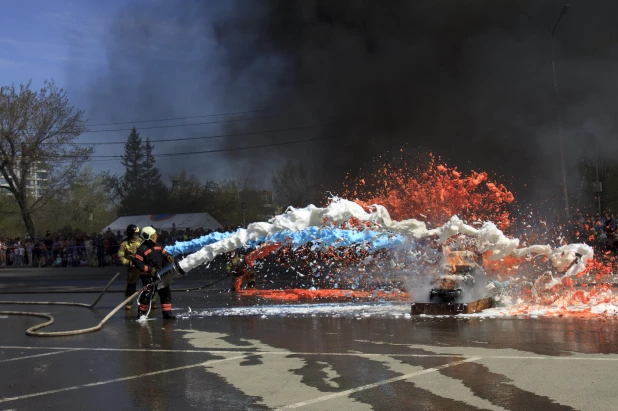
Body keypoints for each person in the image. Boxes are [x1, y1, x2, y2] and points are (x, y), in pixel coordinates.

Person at [133, 226, 176, 319]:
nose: (156, 237)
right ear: (147, 236)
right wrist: (150, 269)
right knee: (147, 294)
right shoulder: (142, 249)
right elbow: (138, 263)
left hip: (160, 274)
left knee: (165, 292)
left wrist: (168, 257)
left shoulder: (158, 246)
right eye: (153, 235)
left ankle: (167, 313)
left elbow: (164, 254)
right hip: (148, 276)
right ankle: (141, 313)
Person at [118, 224, 143, 310]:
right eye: (135, 233)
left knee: (148, 284)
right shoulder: (124, 244)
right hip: (133, 268)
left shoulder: (142, 241)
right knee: (131, 286)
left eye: (138, 233)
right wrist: (128, 263)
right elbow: (121, 256)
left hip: (143, 267)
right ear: (130, 234)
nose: (137, 235)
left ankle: (151, 302)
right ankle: (128, 303)